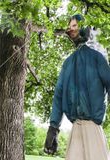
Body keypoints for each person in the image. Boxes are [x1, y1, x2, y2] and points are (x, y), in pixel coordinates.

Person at [44, 14, 110, 160]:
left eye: (75, 26)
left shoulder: (97, 57)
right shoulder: (67, 63)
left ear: (84, 28)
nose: (71, 29)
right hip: (75, 128)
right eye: (70, 27)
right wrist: (53, 128)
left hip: (93, 126)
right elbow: (59, 95)